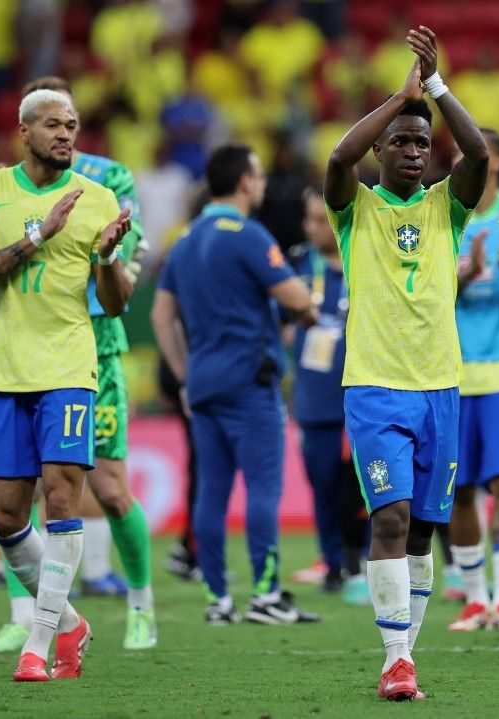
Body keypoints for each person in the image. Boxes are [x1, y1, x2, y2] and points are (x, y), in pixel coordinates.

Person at [323, 26, 488, 701]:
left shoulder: (447, 207)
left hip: (440, 386)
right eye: (402, 142)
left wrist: (437, 88)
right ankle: (395, 658)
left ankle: (406, 653)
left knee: (422, 528)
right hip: (375, 387)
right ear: (381, 149)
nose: (415, 152)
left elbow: (479, 152)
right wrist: (401, 97)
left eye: (422, 143)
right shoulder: (354, 209)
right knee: (389, 517)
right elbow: (339, 156)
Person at [0, 88, 133, 682]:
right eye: (53, 125)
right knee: (6, 517)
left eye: (72, 126)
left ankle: (38, 644)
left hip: (67, 368)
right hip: (3, 370)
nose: (65, 134)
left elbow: (116, 303)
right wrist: (39, 234)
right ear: (24, 131)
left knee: (61, 500)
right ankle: (71, 624)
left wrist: (106, 258)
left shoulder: (98, 199)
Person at [152, 143, 320, 627]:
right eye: (260, 175)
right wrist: (307, 309)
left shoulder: (185, 240)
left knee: (212, 492)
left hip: (204, 384)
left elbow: (162, 315)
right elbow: (296, 298)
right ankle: (266, 595)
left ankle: (218, 600)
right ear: (245, 181)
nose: (263, 183)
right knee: (263, 488)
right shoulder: (248, 235)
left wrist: (184, 376)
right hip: (250, 380)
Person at [446, 127, 499, 634]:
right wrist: (462, 273)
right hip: (453, 373)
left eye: (473, 153)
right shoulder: (446, 216)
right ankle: (475, 598)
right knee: (459, 490)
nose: (463, 160)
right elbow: (425, 293)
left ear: (495, 161)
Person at [292, 189, 370, 601]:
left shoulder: (367, 259)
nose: (312, 228)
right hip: (315, 399)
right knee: (323, 485)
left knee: (369, 485)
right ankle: (333, 563)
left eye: (320, 220)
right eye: (308, 219)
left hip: (364, 393)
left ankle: (371, 561)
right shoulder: (296, 265)